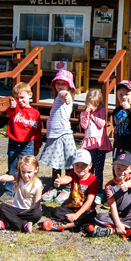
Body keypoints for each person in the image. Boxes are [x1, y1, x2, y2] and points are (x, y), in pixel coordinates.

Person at [0, 82, 42, 203]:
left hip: (27, 144)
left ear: (30, 95)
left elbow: (37, 131)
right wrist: (13, 106)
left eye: (22, 97)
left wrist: (37, 145)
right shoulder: (15, 109)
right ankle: (9, 190)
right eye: (17, 98)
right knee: (12, 166)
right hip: (13, 142)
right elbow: (10, 113)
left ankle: (27, 189)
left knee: (27, 168)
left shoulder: (35, 113)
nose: (20, 101)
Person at [40, 70, 76, 204]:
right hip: (54, 134)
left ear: (69, 86)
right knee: (56, 163)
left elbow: (64, 94)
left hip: (63, 134)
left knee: (67, 162)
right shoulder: (57, 97)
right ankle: (55, 186)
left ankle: (67, 187)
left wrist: (65, 95)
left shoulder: (64, 95)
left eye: (64, 83)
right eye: (58, 83)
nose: (60, 86)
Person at [93, 151, 131, 241]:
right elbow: (112, 206)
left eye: (124, 169)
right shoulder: (109, 186)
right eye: (118, 168)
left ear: (130, 169)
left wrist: (126, 185)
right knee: (99, 217)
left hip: (130, 215)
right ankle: (128, 231)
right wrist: (118, 223)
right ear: (114, 167)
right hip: (115, 215)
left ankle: (111, 230)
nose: (121, 172)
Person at [42, 149, 98, 232]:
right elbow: (67, 179)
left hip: (85, 210)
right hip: (71, 208)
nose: (80, 168)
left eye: (84, 165)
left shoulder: (93, 179)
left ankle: (64, 226)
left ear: (90, 166)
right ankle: (82, 225)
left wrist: (76, 215)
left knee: (92, 214)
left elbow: (89, 201)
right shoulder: (73, 174)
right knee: (55, 211)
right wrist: (60, 181)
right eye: (77, 165)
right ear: (73, 165)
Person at [79, 89, 112, 205]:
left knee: (99, 169)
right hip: (89, 145)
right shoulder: (84, 113)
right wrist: (87, 114)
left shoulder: (102, 111)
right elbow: (84, 125)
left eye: (95, 104)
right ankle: (88, 190)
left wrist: (93, 114)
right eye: (90, 103)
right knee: (89, 169)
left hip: (100, 144)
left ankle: (98, 192)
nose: (92, 106)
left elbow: (102, 123)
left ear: (99, 104)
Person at [0, 155, 43, 233]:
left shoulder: (37, 184)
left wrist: (26, 212)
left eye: (29, 172)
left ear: (36, 170)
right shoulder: (19, 177)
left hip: (29, 211)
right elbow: (9, 177)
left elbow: (36, 205)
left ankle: (10, 222)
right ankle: (22, 225)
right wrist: (0, 178)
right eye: (23, 172)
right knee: (2, 207)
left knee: (37, 213)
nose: (25, 175)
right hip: (16, 208)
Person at [112, 80, 131, 171]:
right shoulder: (116, 111)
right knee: (117, 167)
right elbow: (114, 124)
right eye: (120, 94)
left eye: (127, 94)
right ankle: (117, 184)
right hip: (118, 145)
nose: (123, 97)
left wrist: (129, 108)